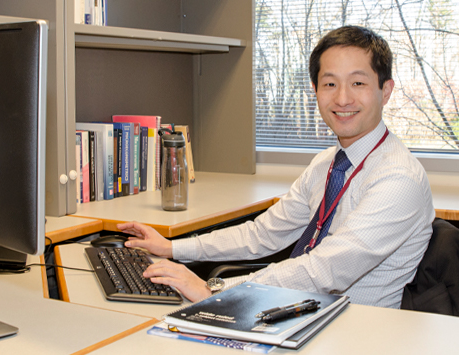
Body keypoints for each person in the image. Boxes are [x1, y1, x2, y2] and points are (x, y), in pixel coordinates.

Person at [117, 26, 435, 309]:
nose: (342, 98)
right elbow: (264, 234)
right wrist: (172, 247)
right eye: (329, 84)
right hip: (297, 311)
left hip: (354, 331)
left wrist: (214, 290)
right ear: (315, 90)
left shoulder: (398, 178)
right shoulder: (327, 163)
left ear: (386, 90)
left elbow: (326, 269)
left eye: (358, 82)